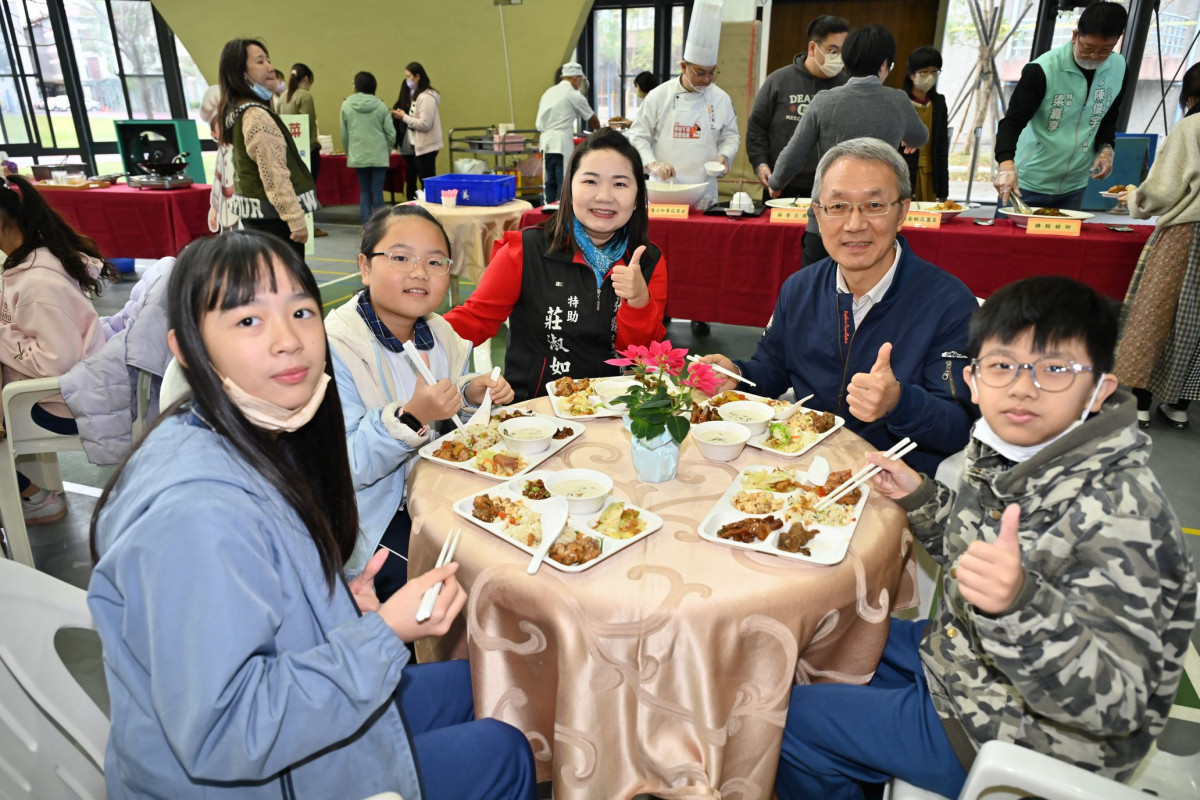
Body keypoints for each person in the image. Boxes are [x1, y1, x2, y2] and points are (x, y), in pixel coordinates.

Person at [86, 231, 538, 800]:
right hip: (255, 778)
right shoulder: (194, 513)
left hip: (297, 710)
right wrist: (382, 634)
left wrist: (332, 609)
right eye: (247, 320)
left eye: (300, 312)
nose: (288, 341)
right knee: (503, 750)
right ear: (186, 347)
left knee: (501, 677)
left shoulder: (236, 433)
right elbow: (227, 734)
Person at [775, 275, 1196, 799]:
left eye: (1056, 369)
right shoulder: (1006, 445)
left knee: (790, 721)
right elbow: (976, 556)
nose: (1023, 387)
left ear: (1100, 390)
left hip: (1023, 731)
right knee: (817, 635)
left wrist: (1019, 605)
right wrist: (921, 499)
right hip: (960, 659)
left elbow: (1116, 709)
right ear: (973, 380)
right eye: (1002, 366)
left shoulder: (1123, 518)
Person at [703, 138, 976, 475]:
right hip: (801, 465)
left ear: (903, 211)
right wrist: (736, 375)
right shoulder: (800, 288)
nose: (854, 224)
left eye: (874, 205)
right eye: (838, 206)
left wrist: (899, 403)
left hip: (892, 480)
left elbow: (957, 427)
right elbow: (773, 371)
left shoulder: (949, 303)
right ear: (818, 213)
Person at [327, 205, 512, 600]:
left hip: (433, 496)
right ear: (365, 266)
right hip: (366, 522)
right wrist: (412, 417)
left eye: (434, 261)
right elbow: (341, 467)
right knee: (463, 585)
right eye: (400, 257)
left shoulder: (439, 331)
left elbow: (442, 396)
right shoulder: (333, 348)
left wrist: (468, 394)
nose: (419, 272)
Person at [444, 128, 668, 402]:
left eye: (620, 184)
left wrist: (638, 301)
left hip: (610, 409)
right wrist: (415, 334)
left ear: (637, 199)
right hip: (533, 412)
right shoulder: (524, 250)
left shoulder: (647, 260)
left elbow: (644, 359)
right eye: (590, 181)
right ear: (569, 190)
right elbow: (475, 319)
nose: (604, 196)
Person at [0, 174, 117, 524]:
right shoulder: (32, 259)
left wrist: (3, 337)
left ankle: (34, 498)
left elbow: (57, 362)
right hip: (60, 392)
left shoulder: (37, 283)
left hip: (59, 404)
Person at [768, 24, 928, 267]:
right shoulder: (898, 101)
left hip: (827, 223)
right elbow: (920, 137)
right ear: (884, 64)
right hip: (876, 225)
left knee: (816, 296)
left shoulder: (824, 101)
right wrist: (907, 138)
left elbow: (793, 154)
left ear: (846, 61)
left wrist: (776, 184)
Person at [628, 0, 735, 335]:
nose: (706, 79)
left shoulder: (720, 99)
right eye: (700, 72)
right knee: (661, 255)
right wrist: (652, 163)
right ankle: (662, 308)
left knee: (702, 259)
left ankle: (700, 311)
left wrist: (724, 158)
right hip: (664, 194)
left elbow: (731, 136)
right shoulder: (659, 96)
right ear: (683, 65)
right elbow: (637, 135)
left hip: (703, 191)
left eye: (711, 72)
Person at [1113, 62, 1200, 430]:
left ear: (1190, 95)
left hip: (1187, 232)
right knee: (1194, 325)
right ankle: (1179, 405)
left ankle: (1143, 403)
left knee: (1155, 313)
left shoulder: (1191, 125)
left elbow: (1163, 191)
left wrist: (1134, 198)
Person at [993, 0, 1127, 210]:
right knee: (1012, 242)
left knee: (1064, 241)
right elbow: (1012, 122)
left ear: (1118, 40)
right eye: (1088, 48)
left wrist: (1106, 148)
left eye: (1105, 50)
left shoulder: (1118, 68)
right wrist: (1006, 166)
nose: (1094, 57)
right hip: (1027, 182)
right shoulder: (1043, 69)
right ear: (1075, 36)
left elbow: (1108, 116)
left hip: (1074, 185)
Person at [218, 38, 319, 260]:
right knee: (285, 283)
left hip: (261, 218)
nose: (270, 67)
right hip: (274, 221)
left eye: (269, 60)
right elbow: (274, 173)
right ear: (240, 72)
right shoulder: (256, 115)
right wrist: (295, 219)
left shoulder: (240, 109)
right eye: (260, 61)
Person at [746, 14, 849, 202]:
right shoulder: (779, 80)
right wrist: (760, 164)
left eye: (843, 52)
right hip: (782, 186)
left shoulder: (847, 86)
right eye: (833, 50)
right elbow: (756, 127)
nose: (839, 58)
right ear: (812, 47)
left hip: (832, 187)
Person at [536, 62, 600, 205]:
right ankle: (560, 214)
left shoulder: (549, 92)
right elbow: (591, 118)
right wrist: (601, 133)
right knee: (563, 181)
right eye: (580, 80)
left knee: (549, 181)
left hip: (546, 142)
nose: (580, 83)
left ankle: (547, 211)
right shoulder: (573, 94)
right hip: (560, 142)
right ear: (575, 78)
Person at [279, 62, 327, 237]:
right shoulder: (304, 96)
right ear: (306, 79)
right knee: (307, 188)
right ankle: (309, 225)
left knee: (292, 188)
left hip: (288, 150)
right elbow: (308, 121)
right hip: (307, 149)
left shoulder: (283, 96)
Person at [342, 71, 396, 224]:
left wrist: (349, 152)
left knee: (364, 191)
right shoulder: (381, 105)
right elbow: (391, 133)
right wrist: (387, 149)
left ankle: (366, 225)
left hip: (358, 154)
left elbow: (344, 134)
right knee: (378, 191)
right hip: (379, 154)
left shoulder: (346, 105)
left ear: (356, 86)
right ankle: (380, 226)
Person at [901, 46, 949, 203]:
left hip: (930, 173)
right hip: (905, 171)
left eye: (934, 71)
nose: (930, 76)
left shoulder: (938, 103)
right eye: (924, 72)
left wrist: (943, 191)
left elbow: (942, 148)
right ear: (911, 74)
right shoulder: (899, 100)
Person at [391, 62, 443, 198]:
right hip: (418, 145)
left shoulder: (426, 97)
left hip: (426, 146)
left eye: (408, 77)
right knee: (419, 180)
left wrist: (404, 117)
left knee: (427, 182)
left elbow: (425, 124)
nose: (407, 80)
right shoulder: (419, 96)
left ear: (417, 76)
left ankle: (430, 212)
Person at [198, 85, 238, 233]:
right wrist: (214, 207)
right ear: (213, 134)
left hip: (244, 209)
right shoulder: (222, 152)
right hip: (225, 210)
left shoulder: (241, 148)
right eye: (221, 126)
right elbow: (217, 180)